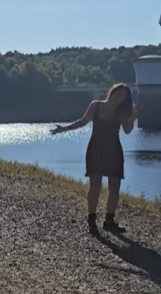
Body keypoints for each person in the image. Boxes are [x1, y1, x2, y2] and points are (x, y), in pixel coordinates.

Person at [51, 83, 137, 235]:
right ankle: (91, 219)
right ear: (113, 91)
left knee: (114, 188)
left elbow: (127, 131)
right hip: (95, 149)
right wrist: (63, 129)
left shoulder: (121, 111)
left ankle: (109, 221)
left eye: (124, 96)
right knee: (95, 186)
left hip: (114, 151)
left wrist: (133, 118)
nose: (120, 97)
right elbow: (82, 122)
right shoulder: (96, 106)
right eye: (119, 93)